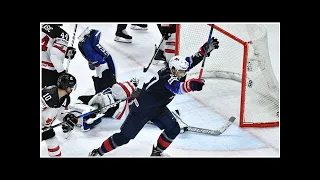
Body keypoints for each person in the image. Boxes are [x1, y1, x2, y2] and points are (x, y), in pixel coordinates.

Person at [88, 36, 220, 157]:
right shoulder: (167, 77)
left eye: (183, 71)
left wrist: (204, 50)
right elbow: (178, 88)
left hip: (158, 108)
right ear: (173, 69)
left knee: (173, 129)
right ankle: (97, 152)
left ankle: (156, 153)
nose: (183, 73)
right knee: (124, 137)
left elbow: (190, 61)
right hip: (141, 111)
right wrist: (192, 84)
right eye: (181, 72)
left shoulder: (176, 69)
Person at [70, 27, 139, 131]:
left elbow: (125, 91)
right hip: (113, 99)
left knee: (104, 65)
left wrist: (132, 85)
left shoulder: (136, 104)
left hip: (114, 103)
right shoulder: (144, 101)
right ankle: (89, 45)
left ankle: (88, 45)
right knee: (106, 64)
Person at [41, 73, 78, 157]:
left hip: (45, 127)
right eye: (71, 87)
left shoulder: (65, 99)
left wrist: (67, 118)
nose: (72, 89)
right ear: (67, 87)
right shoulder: (48, 94)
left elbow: (60, 112)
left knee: (53, 142)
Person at [41, 24, 77, 88]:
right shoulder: (61, 33)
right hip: (48, 73)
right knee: (60, 94)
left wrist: (65, 51)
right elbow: (54, 57)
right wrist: (62, 73)